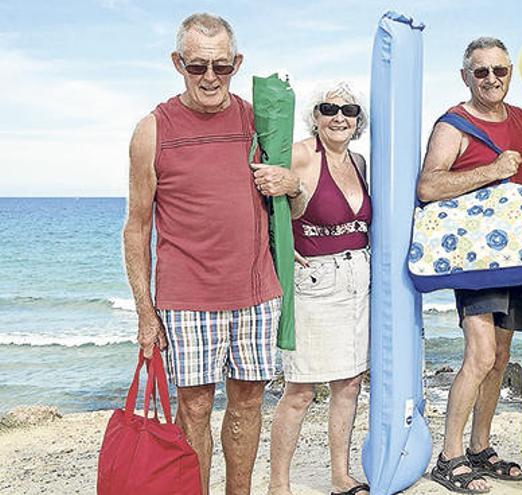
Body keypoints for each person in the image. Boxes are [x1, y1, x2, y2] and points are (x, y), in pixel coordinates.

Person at [122, 13, 301, 495]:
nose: (209, 77)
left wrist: (291, 183)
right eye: (196, 65)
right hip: (185, 299)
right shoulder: (152, 130)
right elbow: (136, 226)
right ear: (177, 62)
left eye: (221, 67)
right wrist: (145, 312)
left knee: (247, 405)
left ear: (236, 63)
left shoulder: (256, 122)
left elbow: (293, 196)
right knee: (194, 409)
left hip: (257, 295)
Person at [417, 37, 522, 494]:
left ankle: (480, 448)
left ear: (511, 73)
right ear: (466, 76)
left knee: (502, 357)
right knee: (481, 354)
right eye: (481, 71)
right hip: (476, 259)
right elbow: (427, 187)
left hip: (519, 253)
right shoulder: (454, 124)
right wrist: (492, 170)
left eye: (499, 71)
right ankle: (449, 457)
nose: (491, 79)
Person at [268, 82, 371, 495]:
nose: (339, 116)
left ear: (358, 120)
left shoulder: (360, 162)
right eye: (329, 108)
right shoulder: (300, 154)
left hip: (358, 279)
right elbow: (256, 194)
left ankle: (340, 477)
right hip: (316, 282)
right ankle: (279, 485)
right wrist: (276, 244)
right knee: (300, 389)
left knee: (348, 383)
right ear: (315, 116)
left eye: (349, 110)